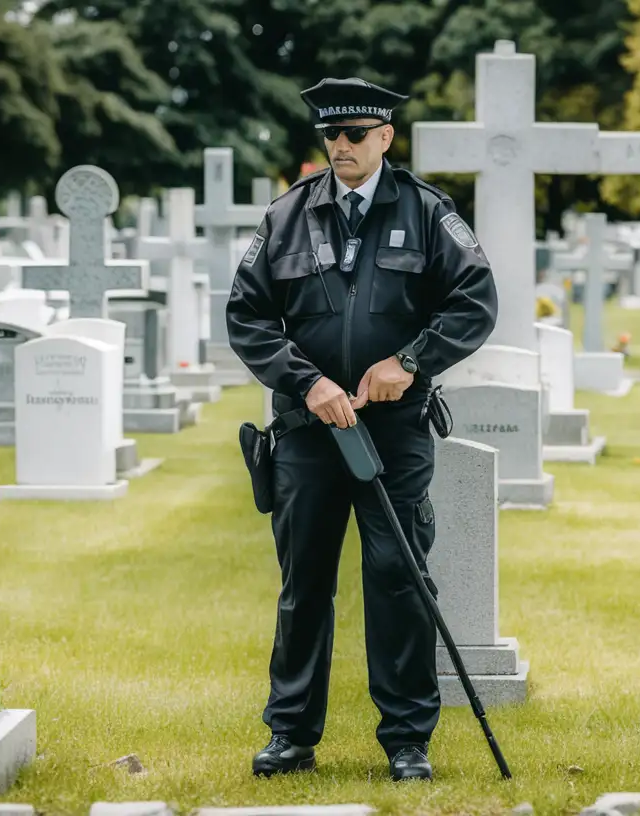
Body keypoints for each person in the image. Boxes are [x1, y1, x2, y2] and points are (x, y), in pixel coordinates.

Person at [226, 76, 498, 782]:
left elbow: (475, 302)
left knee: (399, 578)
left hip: (395, 429)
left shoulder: (429, 212)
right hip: (308, 432)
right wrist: (307, 382)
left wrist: (409, 362)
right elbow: (247, 317)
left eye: (354, 135)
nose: (340, 147)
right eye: (330, 135)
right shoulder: (287, 216)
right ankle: (291, 736)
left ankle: (408, 740)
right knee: (304, 584)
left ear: (385, 137)